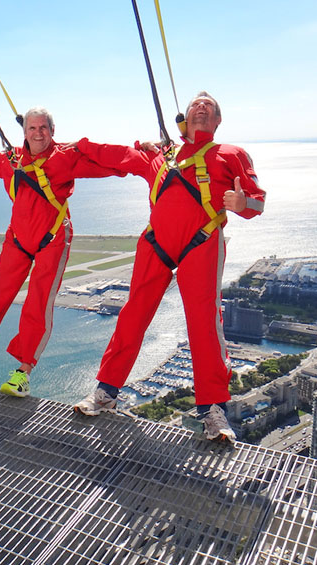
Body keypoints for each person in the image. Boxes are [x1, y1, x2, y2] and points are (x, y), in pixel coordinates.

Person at [72, 92, 266, 443]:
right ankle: (105, 392)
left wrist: (242, 202)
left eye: (210, 107)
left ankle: (213, 410)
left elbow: (257, 203)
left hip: (202, 242)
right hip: (156, 243)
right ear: (185, 117)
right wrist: (77, 146)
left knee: (205, 323)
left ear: (218, 121)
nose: (202, 107)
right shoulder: (161, 154)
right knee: (132, 316)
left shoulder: (231, 155)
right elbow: (115, 155)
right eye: (196, 104)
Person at [0, 107, 123, 397]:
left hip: (53, 238)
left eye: (43, 127)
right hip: (18, 239)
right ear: (24, 132)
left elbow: (110, 163)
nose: (38, 133)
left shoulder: (66, 158)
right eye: (32, 128)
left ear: (52, 131)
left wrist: (142, 151)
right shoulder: (11, 160)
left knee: (37, 304)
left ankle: (23, 373)